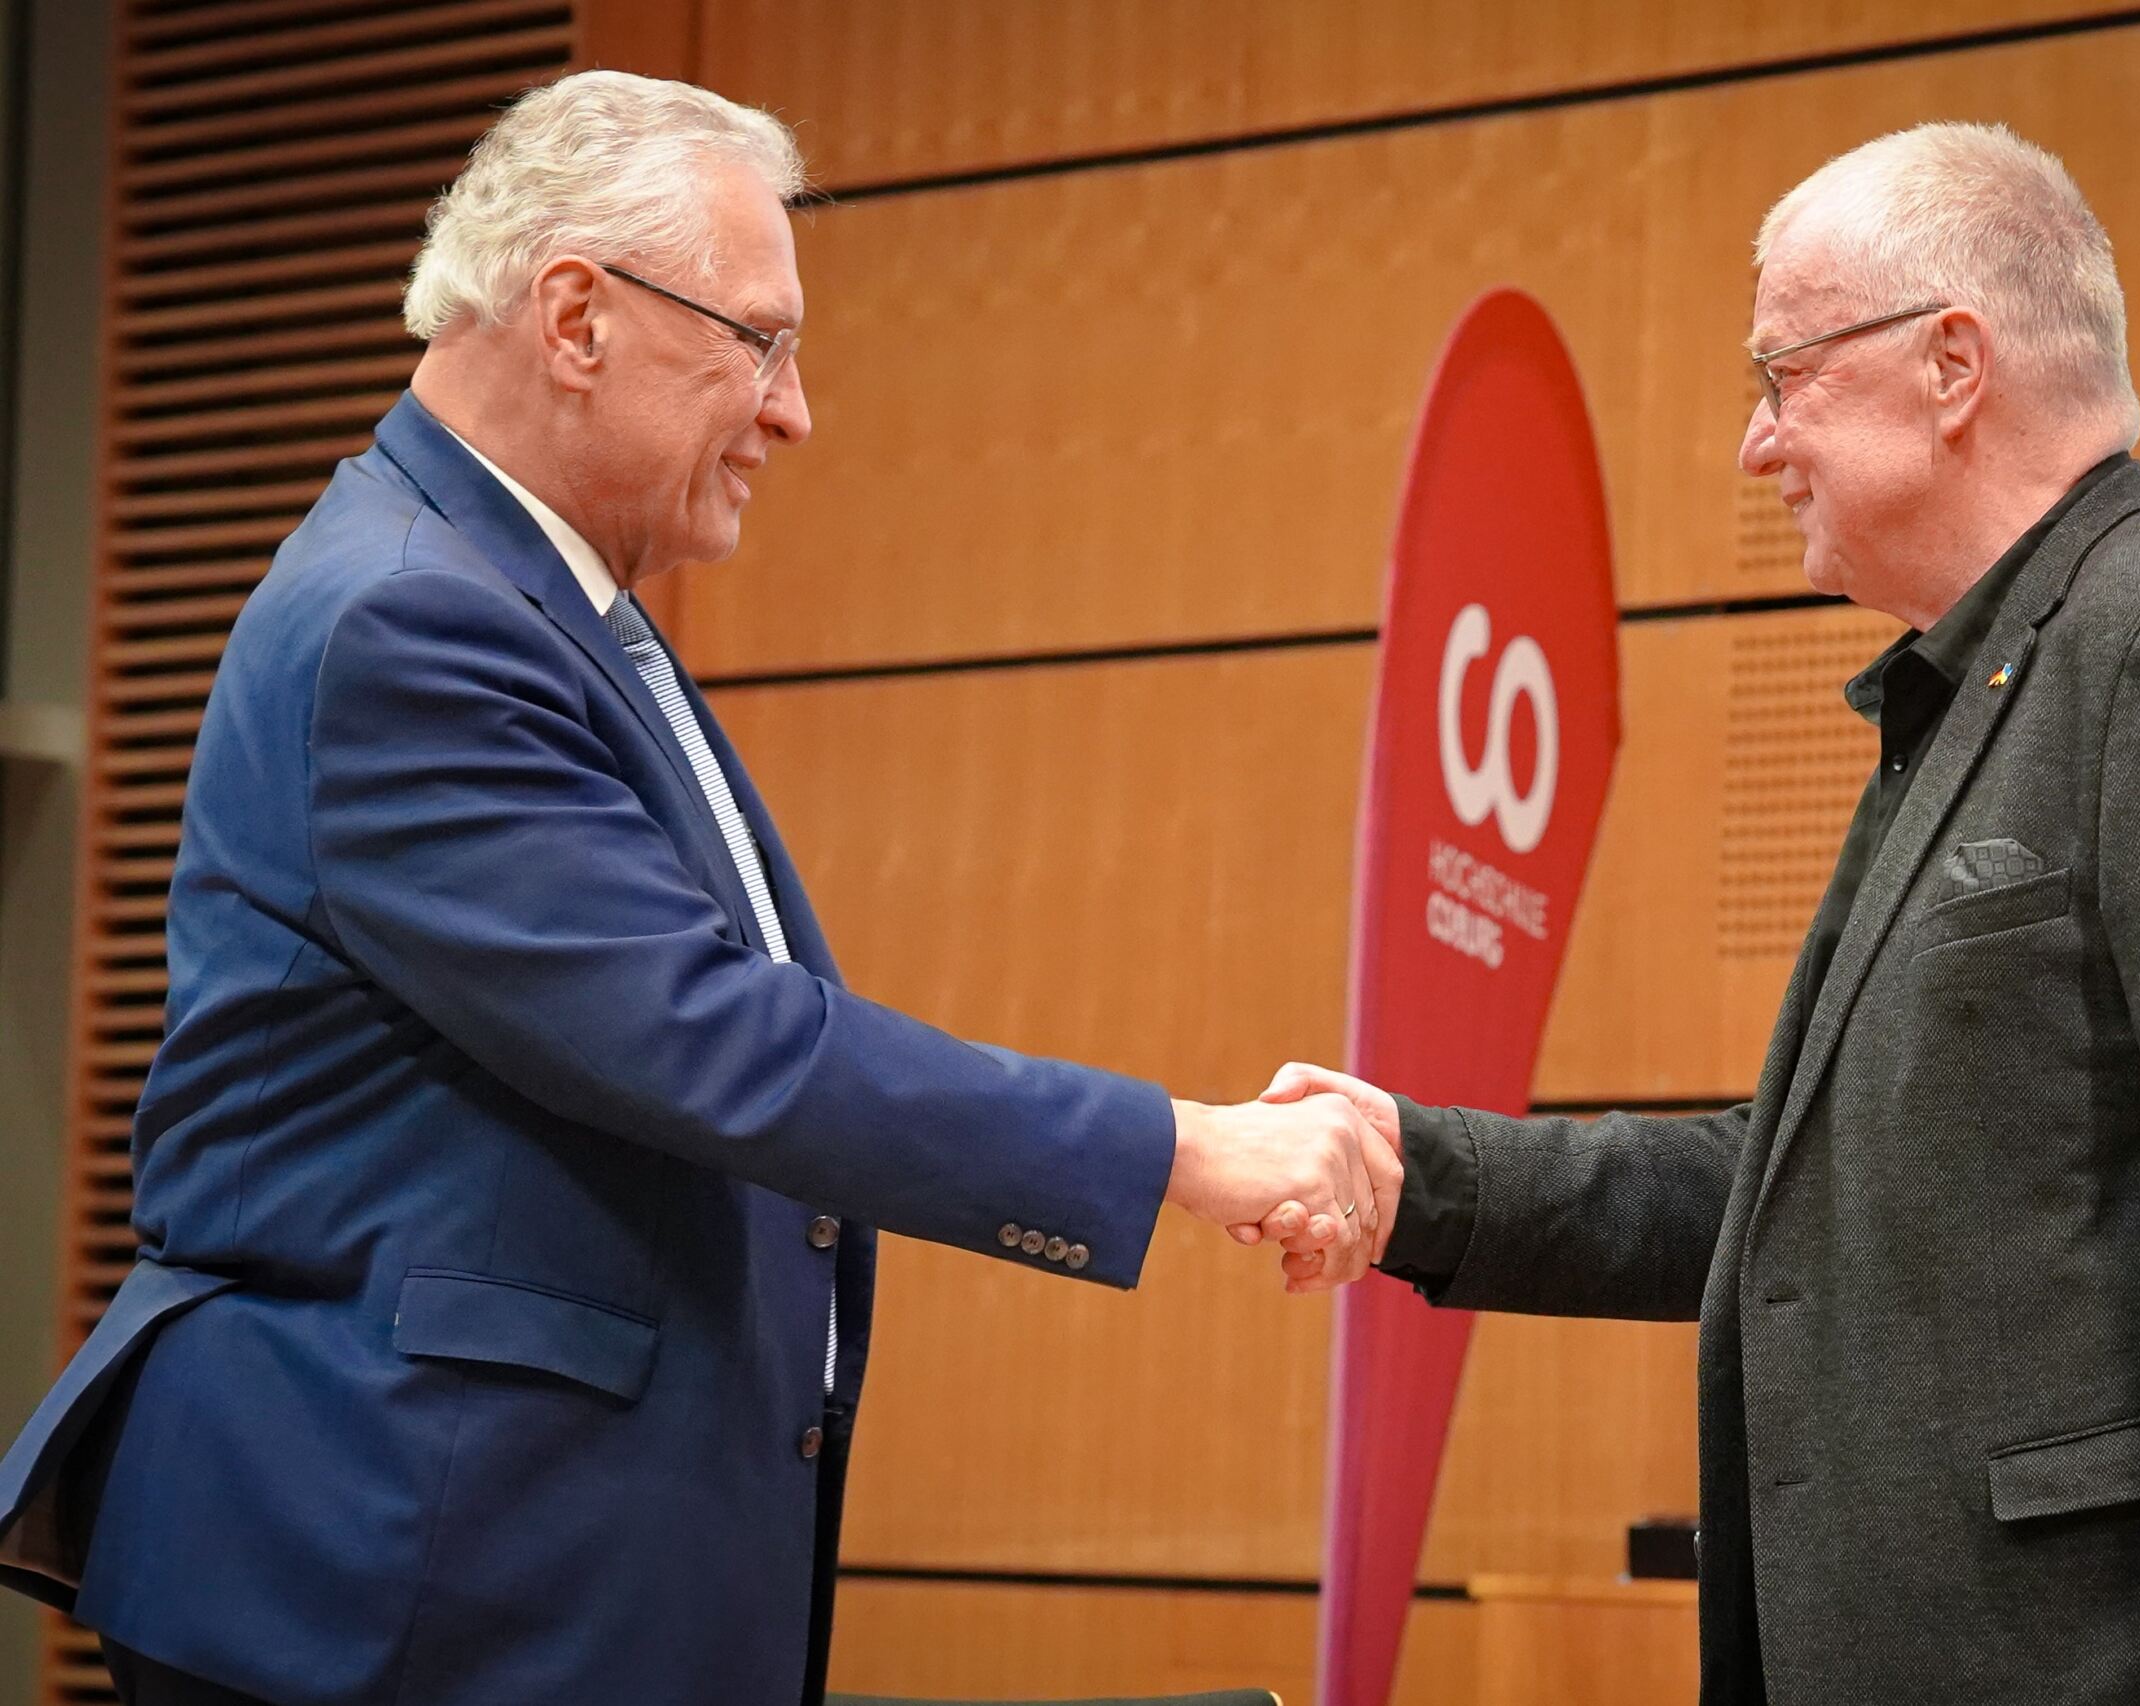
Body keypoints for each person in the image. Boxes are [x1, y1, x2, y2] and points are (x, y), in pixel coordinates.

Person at [0, 72, 1399, 1706]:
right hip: (390, 1581)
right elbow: (715, 1040)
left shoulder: (536, 599)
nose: (794, 410)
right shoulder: (409, 621)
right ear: (577, 316)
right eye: (761, 339)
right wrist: (1185, 1144)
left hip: (498, 1568)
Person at [1258, 122, 2140, 1704]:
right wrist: (1416, 1174)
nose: (1754, 443)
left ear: (1952, 367)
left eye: (1783, 376)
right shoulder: (1994, 678)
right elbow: (1802, 1188)